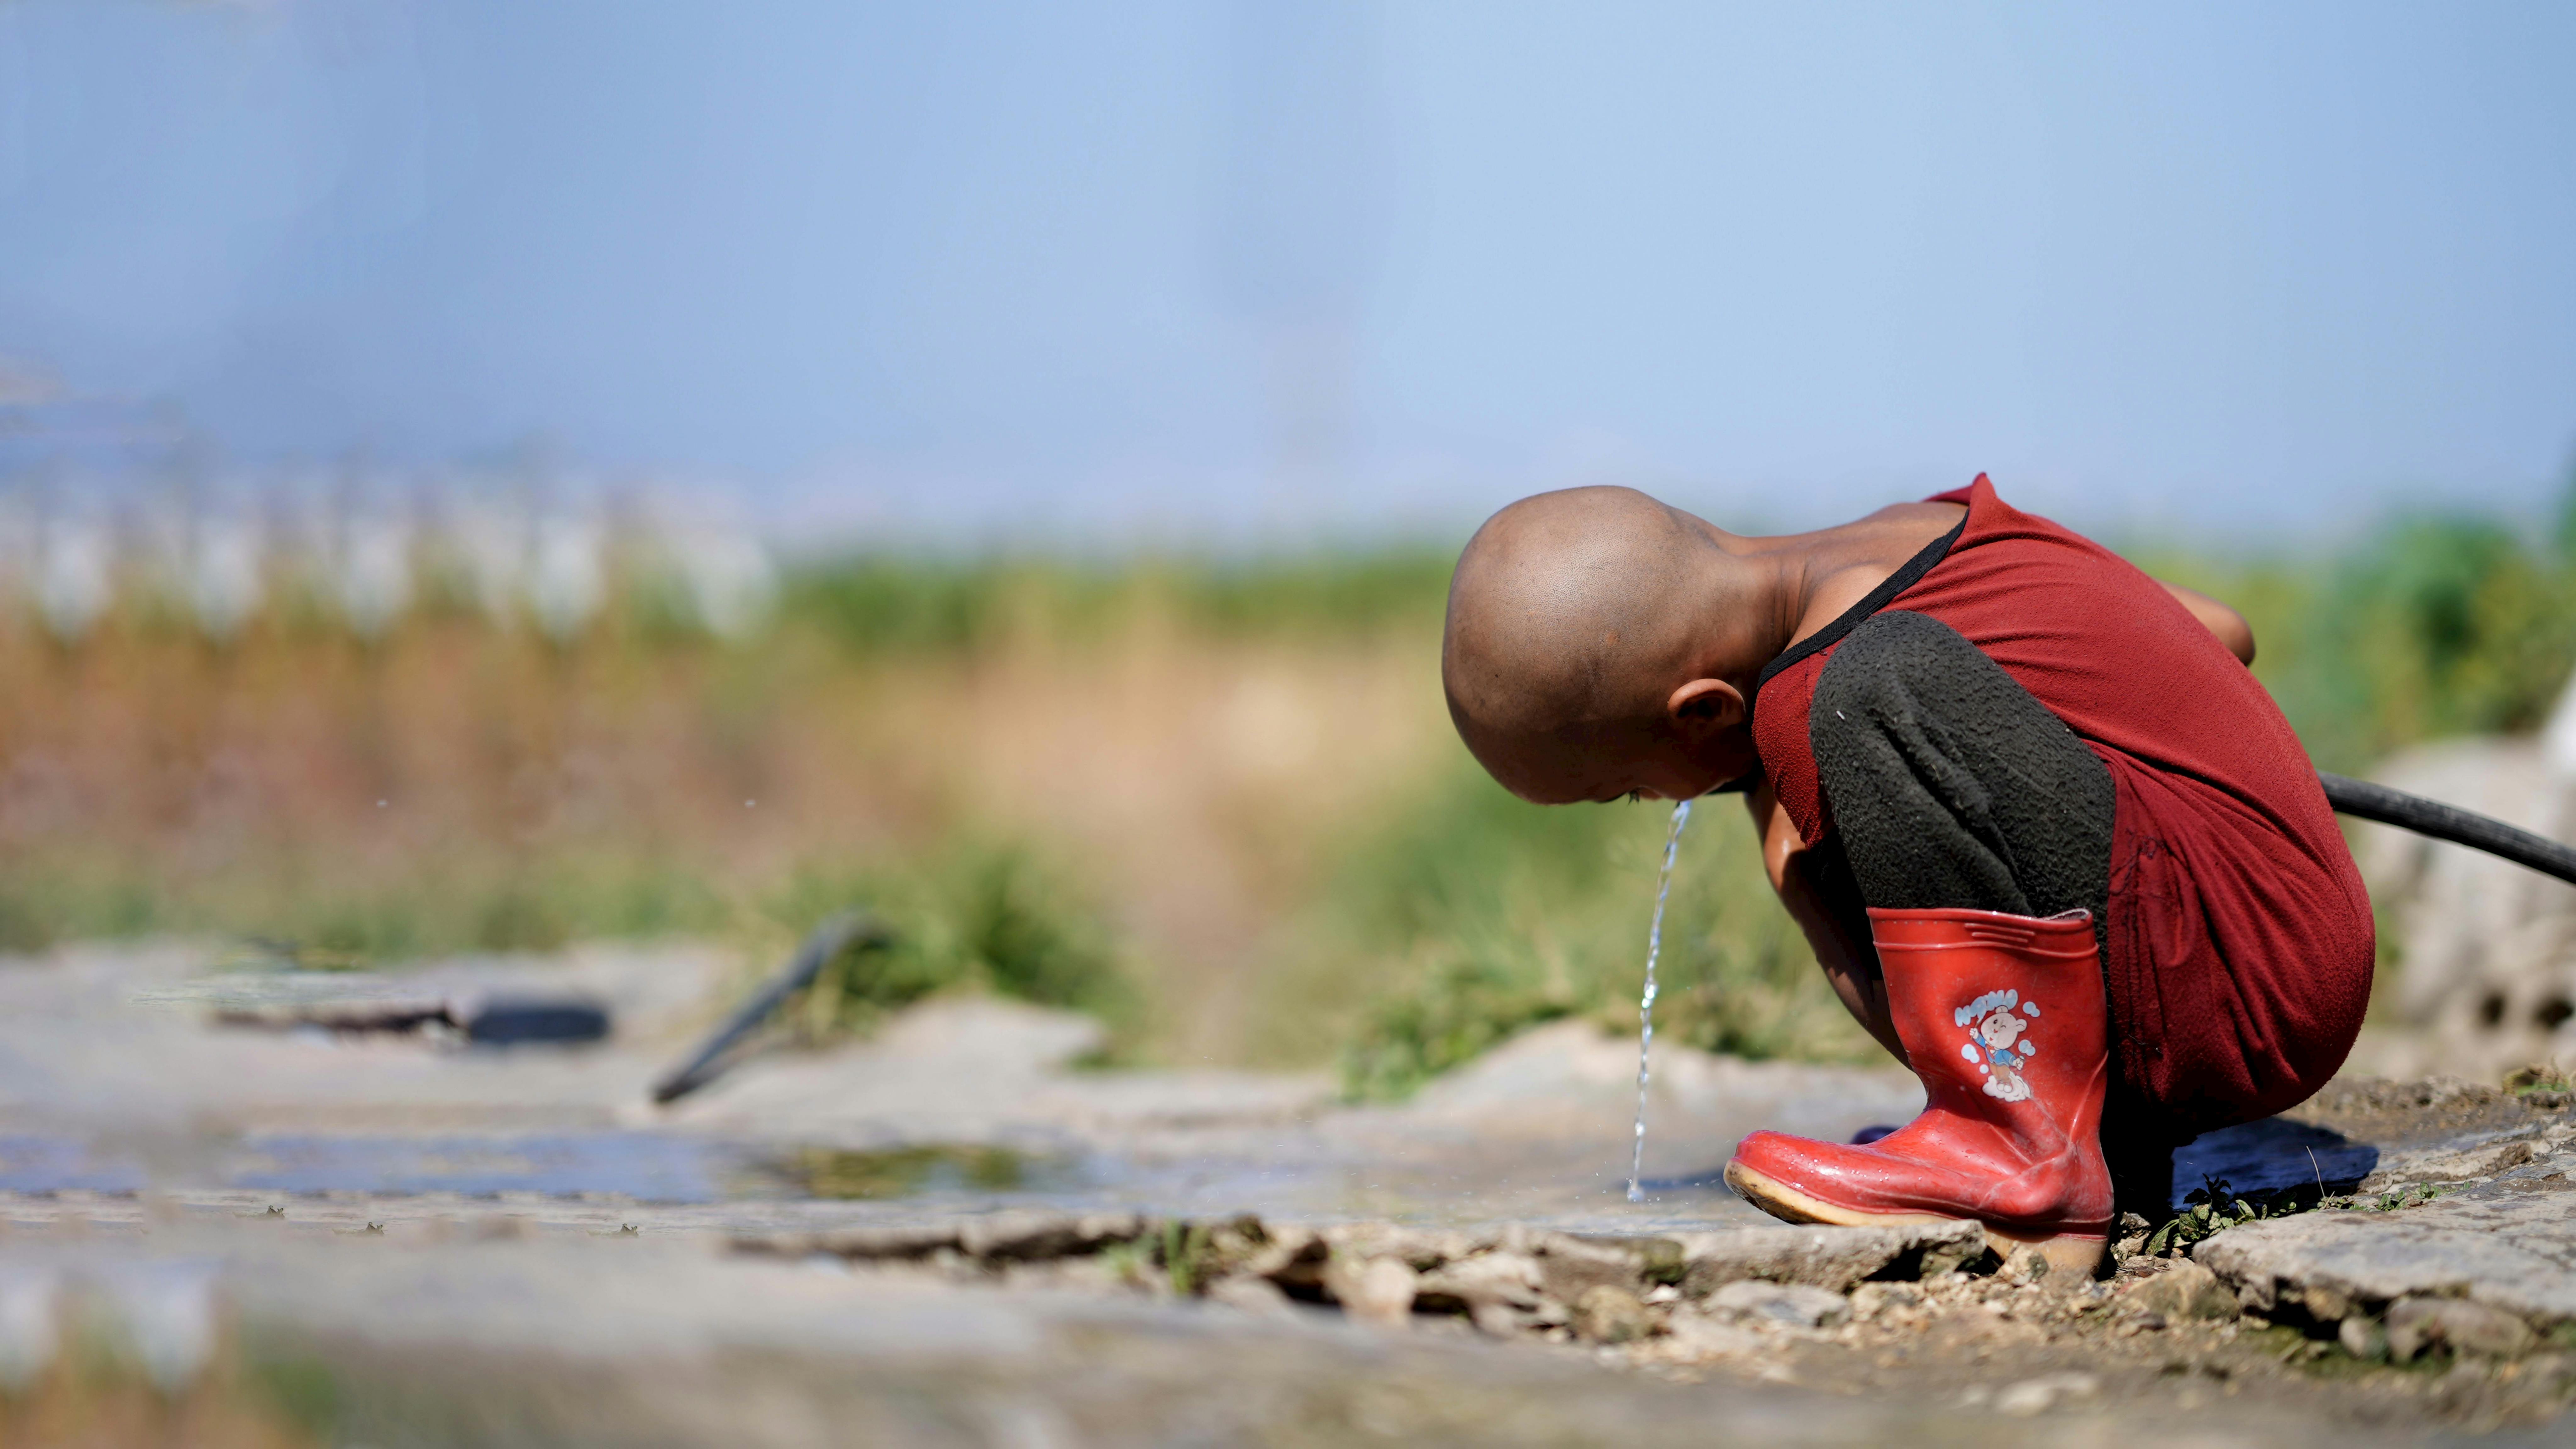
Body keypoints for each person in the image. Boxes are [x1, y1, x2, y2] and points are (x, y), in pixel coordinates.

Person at [1440, 475, 2371, 1274]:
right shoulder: (1934, 528)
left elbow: (1891, 992)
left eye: (1632, 793)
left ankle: (2014, 1150)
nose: (1654, 808)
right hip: (2296, 935)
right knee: (1894, 681)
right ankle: (2082, 1145)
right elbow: (2225, 631)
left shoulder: (1821, 693)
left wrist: (1800, 883)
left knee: (1872, 689)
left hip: (2244, 1001)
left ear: (1702, 713)